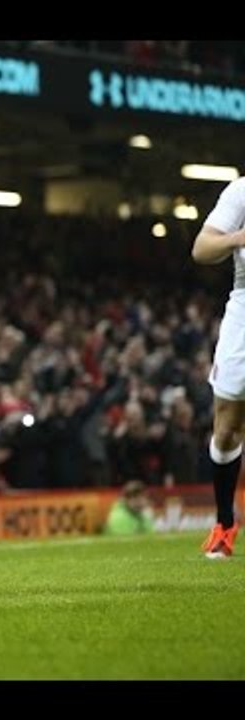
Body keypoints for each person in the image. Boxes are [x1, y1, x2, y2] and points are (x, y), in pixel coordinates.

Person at [192, 178, 245, 558]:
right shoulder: (241, 191)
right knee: (226, 427)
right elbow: (202, 248)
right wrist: (238, 237)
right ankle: (225, 523)